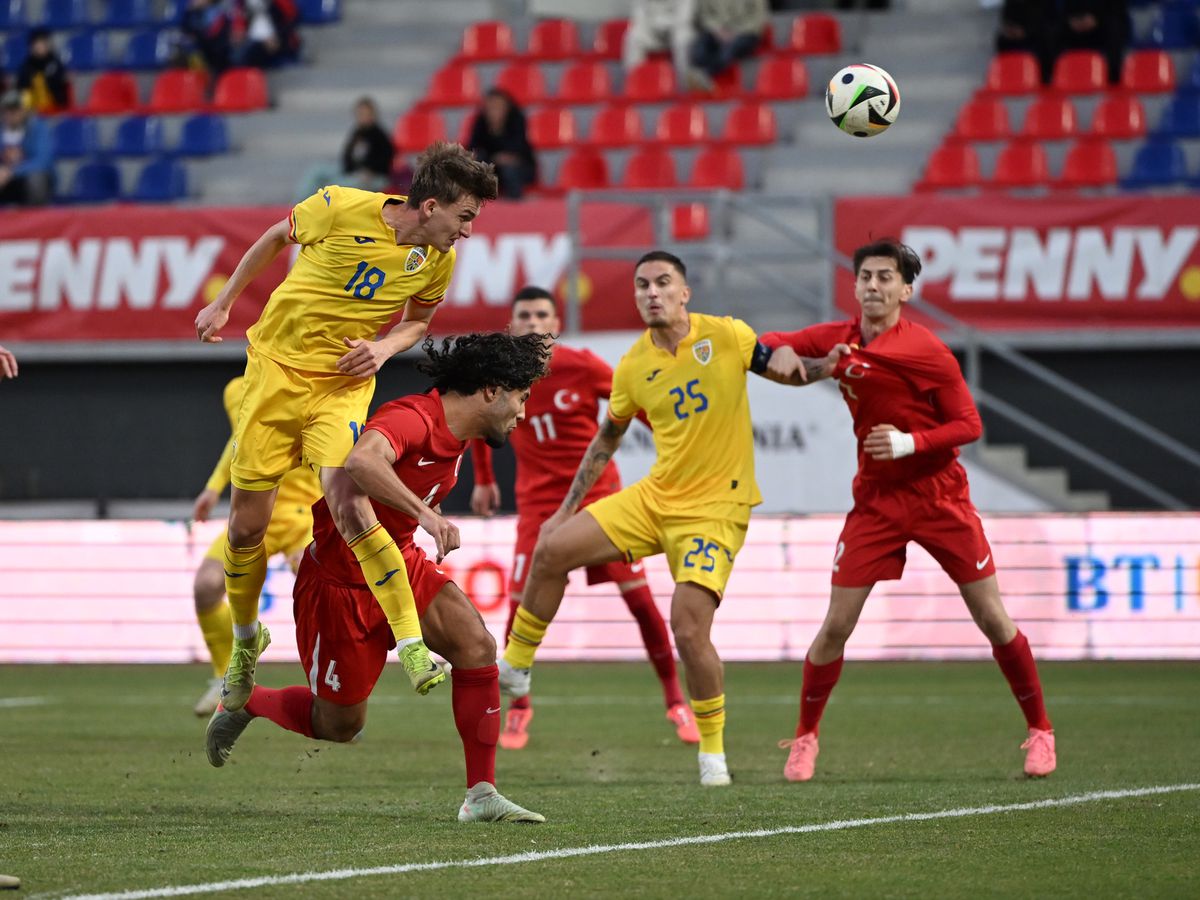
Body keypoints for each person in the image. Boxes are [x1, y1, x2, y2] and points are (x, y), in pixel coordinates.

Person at [496, 251, 845, 786]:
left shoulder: (726, 335)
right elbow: (608, 436)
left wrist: (821, 367)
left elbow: (786, 368)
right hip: (657, 498)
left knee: (687, 626)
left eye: (663, 283)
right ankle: (516, 670)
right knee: (553, 548)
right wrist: (564, 512)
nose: (651, 292)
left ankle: (712, 754)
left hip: (715, 510)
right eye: (642, 285)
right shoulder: (635, 364)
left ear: (685, 293)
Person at [194, 142, 499, 716]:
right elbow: (274, 238)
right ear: (430, 205)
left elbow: (418, 323)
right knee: (244, 529)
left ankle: (410, 643)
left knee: (350, 505)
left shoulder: (437, 259)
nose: (466, 233)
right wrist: (225, 304)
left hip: (341, 385)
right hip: (275, 374)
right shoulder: (339, 205)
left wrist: (382, 349)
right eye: (464, 218)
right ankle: (243, 642)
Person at [205, 331, 551, 824]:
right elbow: (362, 460)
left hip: (401, 564)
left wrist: (418, 520)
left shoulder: (458, 438)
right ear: (492, 391)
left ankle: (481, 795)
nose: (522, 413)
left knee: (476, 645)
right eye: (521, 398)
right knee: (340, 724)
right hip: (340, 584)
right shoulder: (413, 418)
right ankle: (249, 704)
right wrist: (427, 515)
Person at [761, 238, 1056, 783]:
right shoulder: (837, 339)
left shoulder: (928, 351)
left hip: (940, 495)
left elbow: (969, 425)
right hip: (876, 502)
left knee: (992, 618)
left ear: (906, 289)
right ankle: (804, 739)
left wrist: (909, 443)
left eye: (885, 277)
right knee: (836, 625)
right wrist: (777, 349)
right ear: (854, 285)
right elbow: (770, 343)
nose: (874, 285)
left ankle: (1040, 730)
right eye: (866, 276)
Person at [469, 286, 699, 750]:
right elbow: (479, 424)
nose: (533, 323)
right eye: (525, 315)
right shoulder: (498, 375)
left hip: (599, 498)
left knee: (639, 600)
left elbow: (636, 403)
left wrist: (674, 452)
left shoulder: (584, 365)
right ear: (512, 326)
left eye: (542, 315)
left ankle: (676, 701)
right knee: (521, 603)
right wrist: (484, 480)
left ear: (555, 324)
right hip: (537, 505)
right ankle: (520, 709)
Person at [190, 375, 322, 717]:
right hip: (253, 513)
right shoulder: (236, 390)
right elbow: (240, 439)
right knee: (206, 586)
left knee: (324, 594)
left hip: (303, 516)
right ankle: (225, 679)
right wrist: (213, 488)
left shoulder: (318, 383)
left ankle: (333, 694)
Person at [297, 97, 396, 200]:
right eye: (361, 114)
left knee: (334, 186)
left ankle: (320, 206)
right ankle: (299, 202)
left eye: (367, 114)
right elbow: (347, 156)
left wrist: (370, 171)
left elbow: (385, 161)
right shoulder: (357, 133)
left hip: (373, 177)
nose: (363, 117)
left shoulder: (380, 136)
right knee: (317, 169)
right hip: (351, 171)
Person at [464, 88, 536, 200]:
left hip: (518, 168)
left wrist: (498, 129)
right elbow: (472, 147)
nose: (494, 110)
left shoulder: (517, 119)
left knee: (509, 169)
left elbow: (519, 148)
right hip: (491, 164)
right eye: (491, 107)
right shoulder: (481, 121)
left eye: (497, 106)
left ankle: (514, 202)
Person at [688, 0, 769, 91]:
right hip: (717, 31)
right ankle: (699, 76)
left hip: (747, 32)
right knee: (700, 45)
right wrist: (717, 30)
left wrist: (735, 32)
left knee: (729, 49)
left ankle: (705, 74)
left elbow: (758, 19)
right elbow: (705, 15)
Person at [623, 0, 697, 85]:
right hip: (652, 30)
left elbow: (685, 19)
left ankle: (684, 86)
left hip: (676, 30)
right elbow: (639, 18)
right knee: (633, 37)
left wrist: (663, 24)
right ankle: (636, 83)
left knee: (683, 39)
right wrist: (656, 26)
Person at [0, 91, 53, 207]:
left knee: (37, 179)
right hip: (3, 179)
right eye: (6, 110)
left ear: (24, 111)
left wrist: (12, 172)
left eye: (14, 110)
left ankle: (34, 220)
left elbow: (44, 161)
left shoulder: (38, 128)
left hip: (25, 179)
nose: (9, 114)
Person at [16, 28, 71, 113]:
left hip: (54, 108)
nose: (40, 46)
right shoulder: (26, 66)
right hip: (31, 109)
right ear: (32, 46)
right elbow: (22, 88)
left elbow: (60, 88)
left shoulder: (55, 63)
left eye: (43, 43)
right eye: (37, 43)